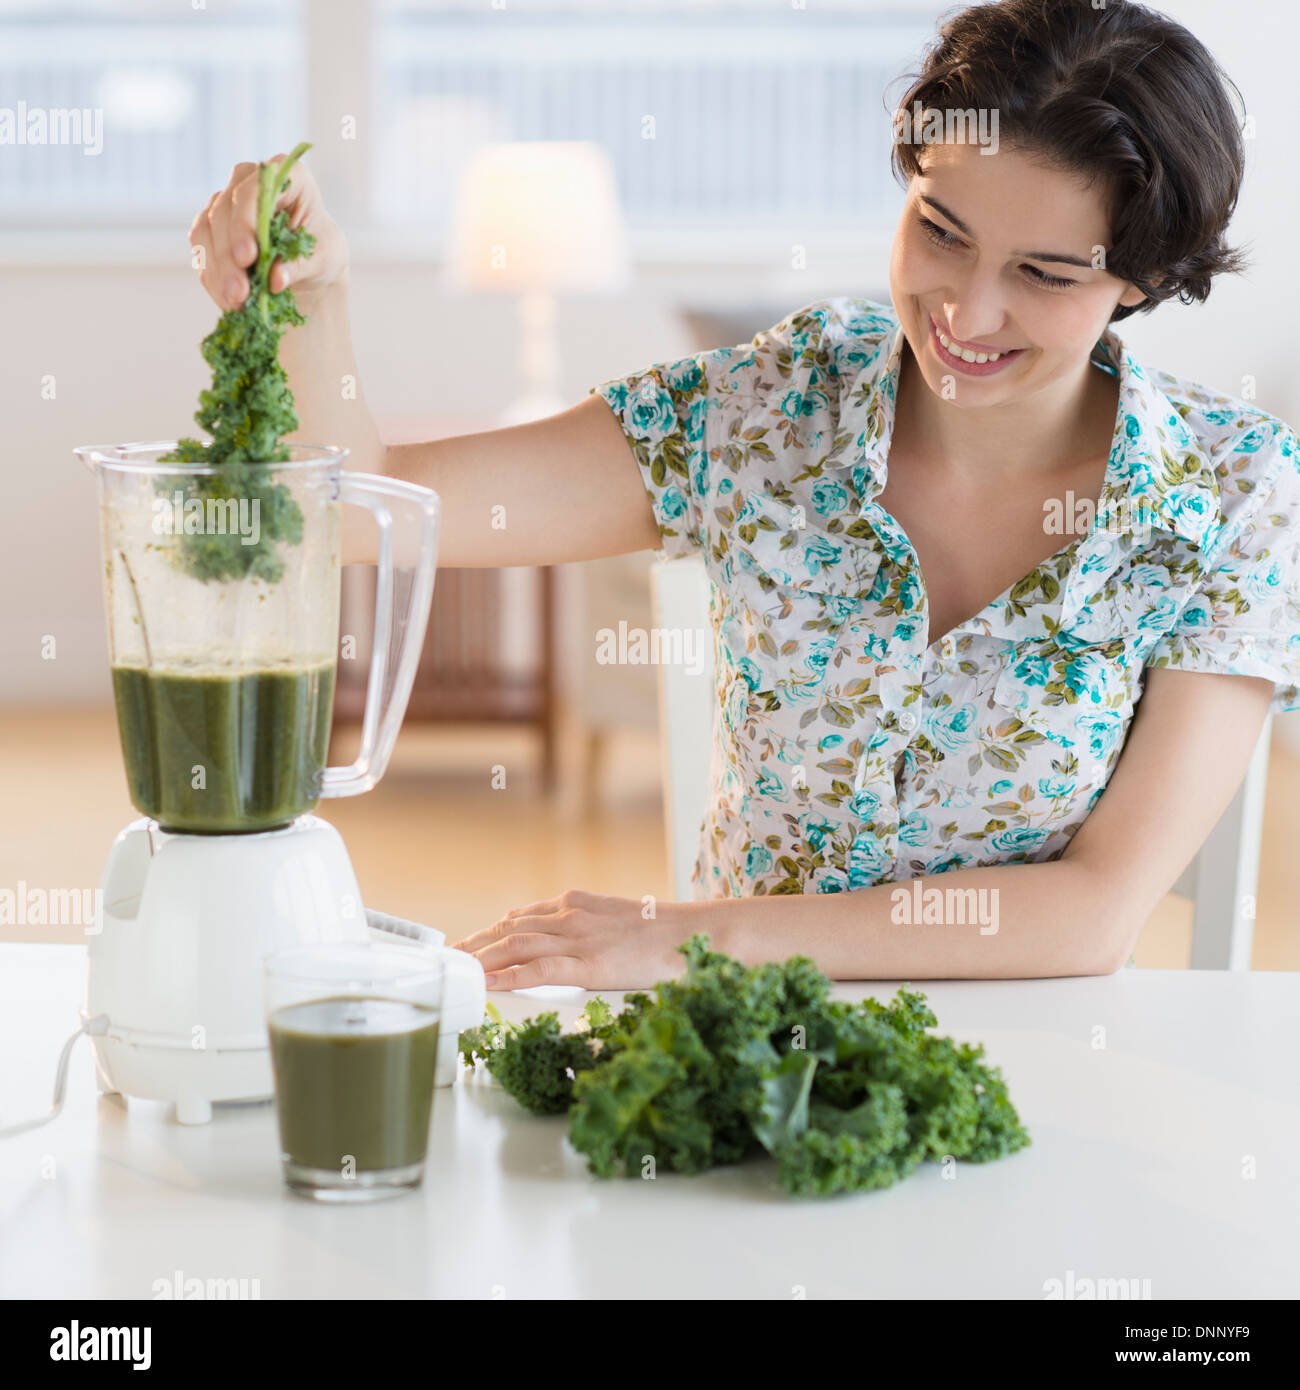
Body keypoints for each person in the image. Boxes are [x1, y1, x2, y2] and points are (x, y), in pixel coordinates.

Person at [186, 0, 1300, 989]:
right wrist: (313, 298)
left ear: (1143, 280)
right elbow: (362, 513)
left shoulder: (1233, 495)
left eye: (1044, 275)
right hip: (746, 1050)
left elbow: (1096, 909)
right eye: (940, 233)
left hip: (1041, 1067)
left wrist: (689, 936)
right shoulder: (778, 402)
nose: (966, 310)